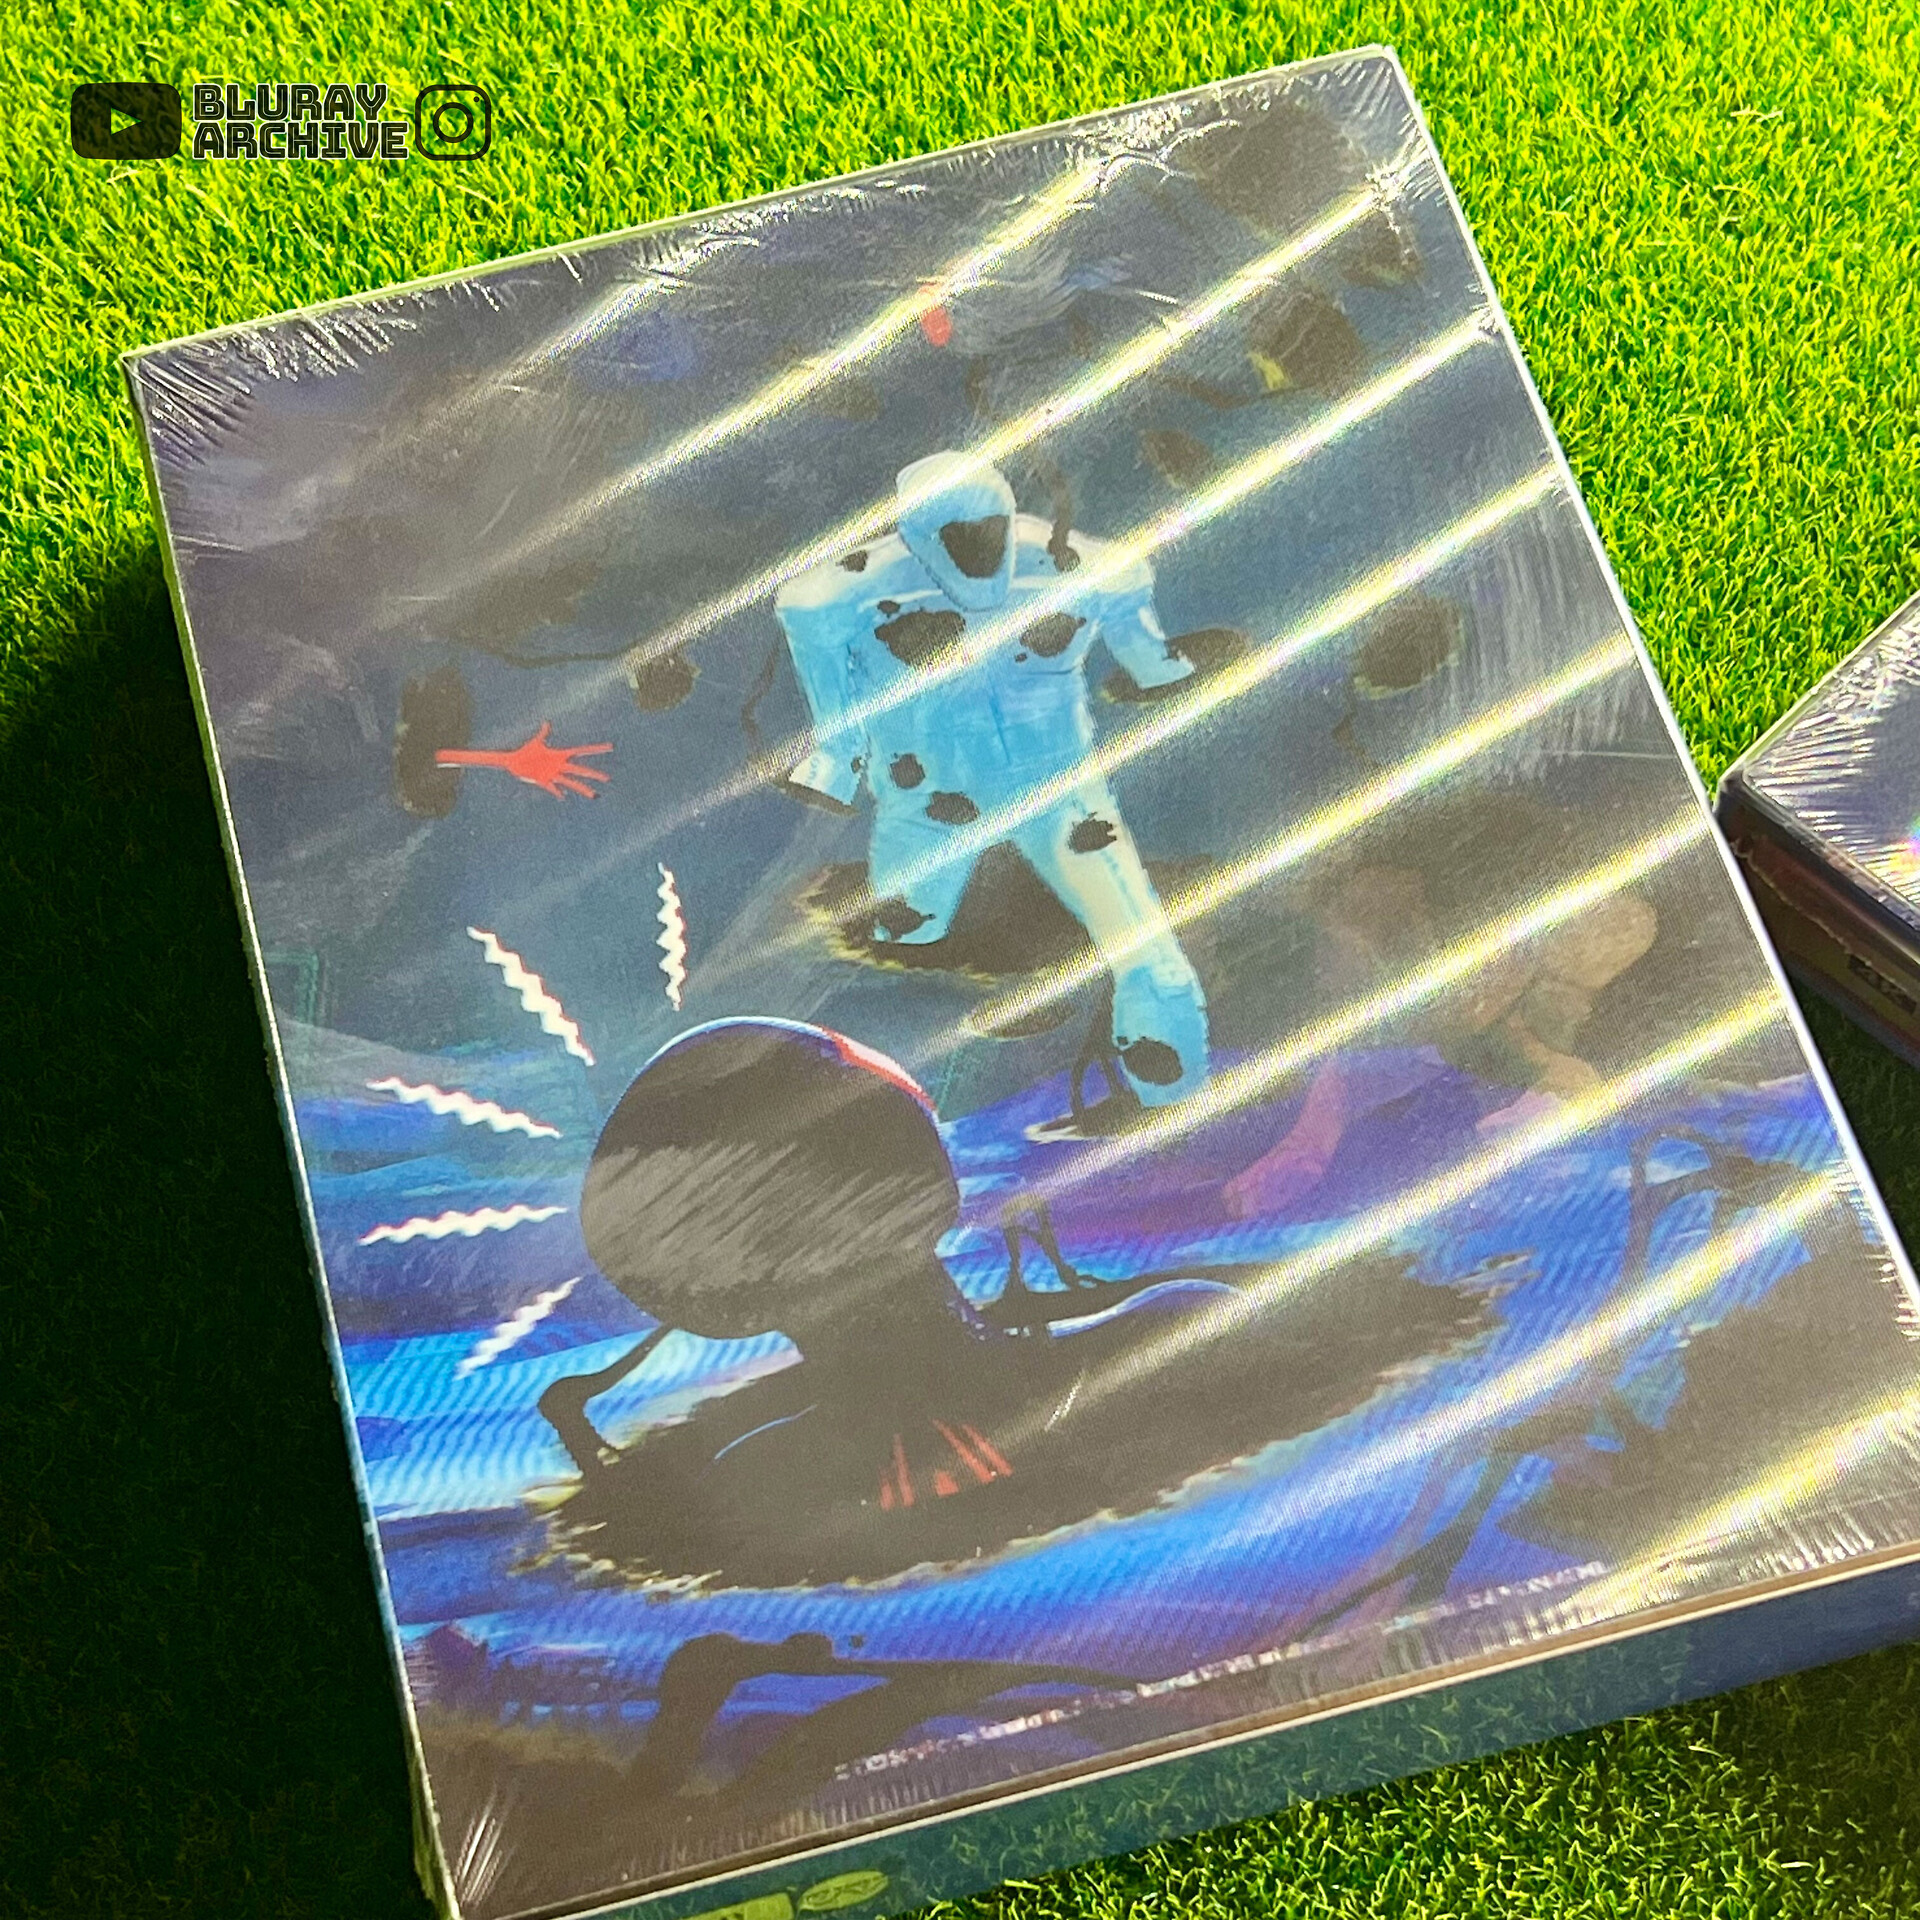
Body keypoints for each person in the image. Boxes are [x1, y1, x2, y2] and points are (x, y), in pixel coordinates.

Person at [775, 450, 1209, 1113]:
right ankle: (874, 1103)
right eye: (961, 537)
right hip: (933, 800)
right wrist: (835, 763)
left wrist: (1156, 665)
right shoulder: (848, 592)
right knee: (900, 945)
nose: (978, 552)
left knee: (1146, 951)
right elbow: (822, 661)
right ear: (920, 535)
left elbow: (1134, 608)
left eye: (988, 532)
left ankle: (1173, 1096)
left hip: (1056, 792)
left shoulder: (1066, 566)